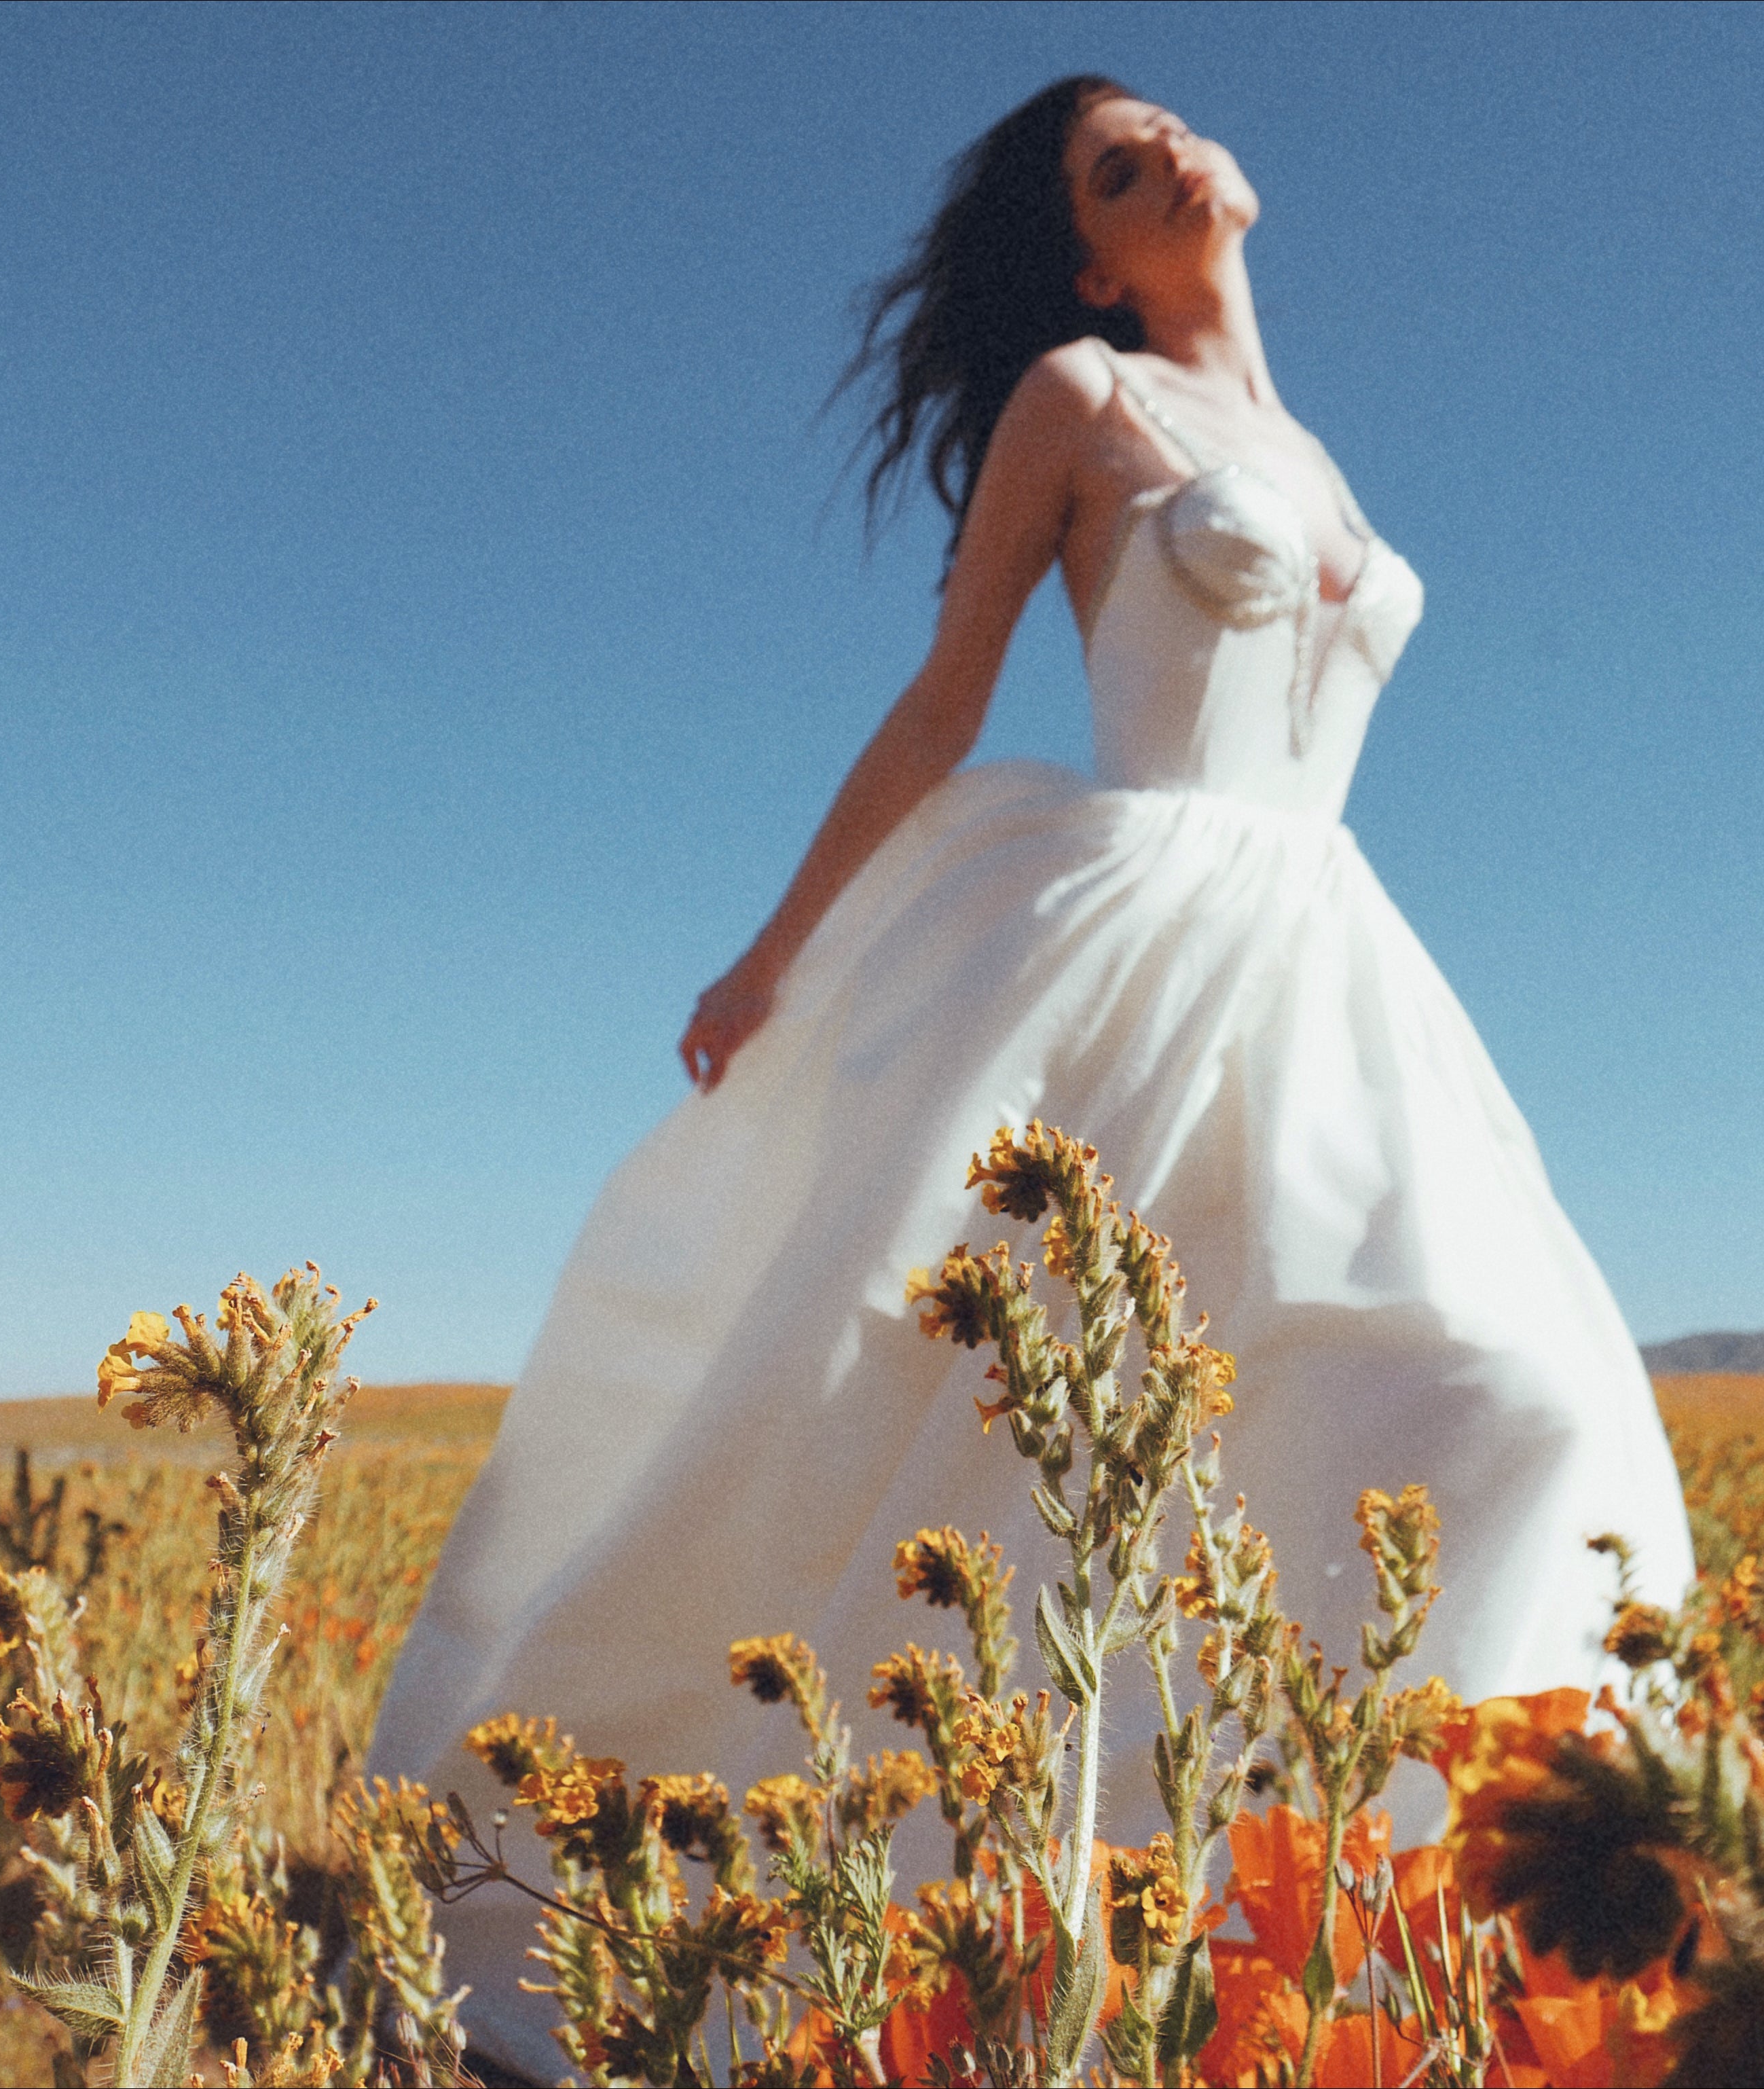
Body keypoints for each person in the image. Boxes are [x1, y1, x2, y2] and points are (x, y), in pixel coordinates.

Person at [366, 75, 1693, 2078]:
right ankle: (905, 1950)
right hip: (1128, 940)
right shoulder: (1082, 400)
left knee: (1508, 1392)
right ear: (1088, 253)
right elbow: (941, 697)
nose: (1170, 154)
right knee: (1012, 1453)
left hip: (1332, 963)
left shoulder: (1312, 452)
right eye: (1114, 164)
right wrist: (774, 947)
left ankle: (1395, 1964)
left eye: (1166, 126)